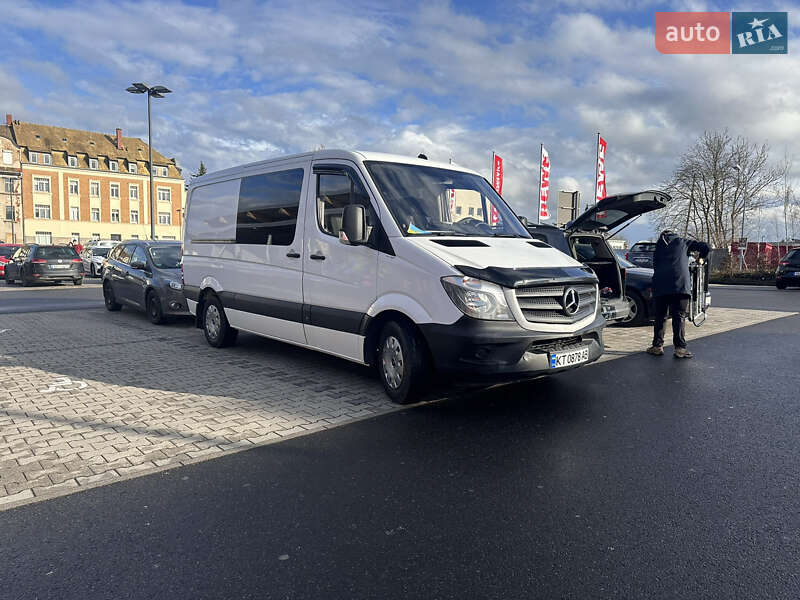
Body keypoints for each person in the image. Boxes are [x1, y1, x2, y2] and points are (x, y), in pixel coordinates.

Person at [646, 230, 710, 359]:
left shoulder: (658, 247)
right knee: (679, 317)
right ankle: (680, 348)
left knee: (660, 317)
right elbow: (706, 247)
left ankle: (657, 346)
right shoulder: (683, 242)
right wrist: (701, 258)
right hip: (679, 285)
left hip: (660, 286)